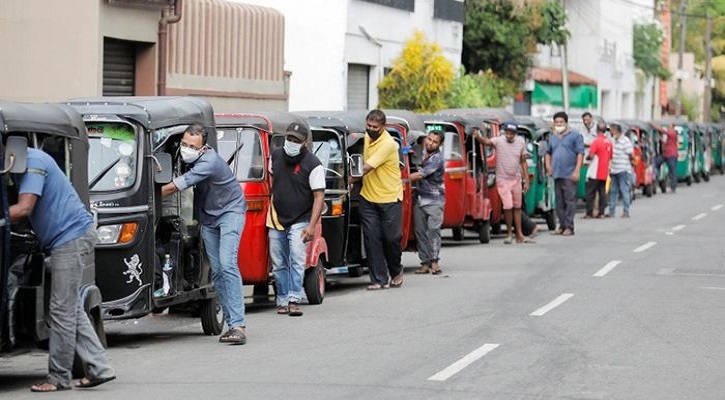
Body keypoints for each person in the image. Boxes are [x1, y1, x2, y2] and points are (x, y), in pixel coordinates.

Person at [10, 148, 115, 392]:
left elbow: (24, 208)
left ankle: (58, 377)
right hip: (69, 237)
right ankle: (100, 367)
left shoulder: (33, 161)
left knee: (61, 310)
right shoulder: (22, 162)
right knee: (71, 308)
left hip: (70, 238)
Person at [161, 124, 247, 344]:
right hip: (209, 218)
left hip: (230, 212)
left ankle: (238, 325)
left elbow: (173, 188)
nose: (187, 149)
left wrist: (143, 196)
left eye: (192, 146)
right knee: (217, 271)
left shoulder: (208, 161)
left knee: (228, 264)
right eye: (185, 144)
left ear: (203, 148)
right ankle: (231, 324)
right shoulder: (184, 157)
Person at [267, 123, 325, 317]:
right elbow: (272, 180)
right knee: (278, 262)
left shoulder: (313, 164)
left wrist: (311, 226)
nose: (291, 143)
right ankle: (282, 299)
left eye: (295, 140)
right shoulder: (275, 156)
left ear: (304, 142)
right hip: (277, 218)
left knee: (297, 259)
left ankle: (294, 299)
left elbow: (319, 196)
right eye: (289, 139)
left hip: (301, 219)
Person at [359, 109, 404, 290]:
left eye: (374, 127)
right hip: (368, 197)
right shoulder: (366, 137)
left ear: (383, 127)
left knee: (391, 238)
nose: (370, 129)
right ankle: (378, 279)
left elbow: (366, 168)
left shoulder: (388, 144)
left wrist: (349, 177)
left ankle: (396, 270)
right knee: (371, 239)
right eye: (368, 126)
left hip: (389, 197)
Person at [474, 122, 534, 244]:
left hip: (516, 179)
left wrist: (526, 180)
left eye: (511, 133)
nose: (509, 135)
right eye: (507, 132)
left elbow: (523, 162)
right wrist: (478, 136)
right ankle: (509, 234)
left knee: (517, 207)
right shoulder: (499, 141)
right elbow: (486, 142)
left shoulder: (521, 142)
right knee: (508, 206)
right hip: (502, 180)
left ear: (515, 134)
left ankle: (519, 235)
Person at [410, 130, 445, 275]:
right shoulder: (420, 152)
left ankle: (435, 262)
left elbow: (420, 174)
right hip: (419, 199)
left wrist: (400, 179)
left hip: (434, 200)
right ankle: (425, 263)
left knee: (433, 231)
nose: (430, 143)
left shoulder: (437, 158)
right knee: (420, 232)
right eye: (429, 139)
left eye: (435, 141)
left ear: (439, 144)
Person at [545, 111, 584, 236]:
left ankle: (569, 227)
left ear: (566, 123)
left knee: (569, 201)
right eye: (556, 122)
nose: (559, 124)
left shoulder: (575, 136)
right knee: (559, 202)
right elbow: (548, 153)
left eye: (561, 122)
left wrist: (577, 170)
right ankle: (561, 225)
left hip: (569, 173)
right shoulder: (553, 137)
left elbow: (580, 153)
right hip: (557, 173)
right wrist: (548, 166)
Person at [584, 122, 613, 218]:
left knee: (590, 193)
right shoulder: (609, 142)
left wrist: (587, 158)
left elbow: (591, 155)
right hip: (604, 172)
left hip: (594, 171)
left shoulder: (596, 141)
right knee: (602, 192)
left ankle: (589, 212)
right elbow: (611, 156)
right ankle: (601, 212)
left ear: (597, 130)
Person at [606, 123, 634, 218]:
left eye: (612, 130)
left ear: (616, 130)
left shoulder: (626, 141)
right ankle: (611, 211)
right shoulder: (612, 141)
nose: (611, 132)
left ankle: (626, 211)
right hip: (614, 170)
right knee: (613, 191)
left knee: (624, 190)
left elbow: (631, 155)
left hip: (623, 170)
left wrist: (630, 166)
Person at [654, 123, 678, 193]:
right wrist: (662, 141)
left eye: (669, 126)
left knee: (672, 171)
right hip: (665, 154)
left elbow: (663, 131)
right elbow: (668, 143)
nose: (668, 127)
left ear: (673, 127)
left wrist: (654, 125)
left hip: (671, 155)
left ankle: (673, 187)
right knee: (655, 162)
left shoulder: (672, 133)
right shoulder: (670, 135)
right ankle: (656, 178)